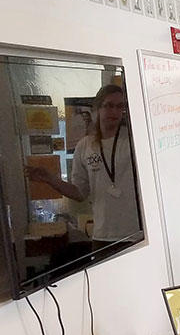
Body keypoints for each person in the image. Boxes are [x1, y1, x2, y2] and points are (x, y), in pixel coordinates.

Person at [26, 84, 141, 245]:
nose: (114, 111)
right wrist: (50, 179)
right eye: (109, 105)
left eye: (119, 106)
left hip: (136, 234)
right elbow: (80, 193)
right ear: (97, 109)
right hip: (102, 236)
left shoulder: (134, 141)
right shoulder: (85, 146)